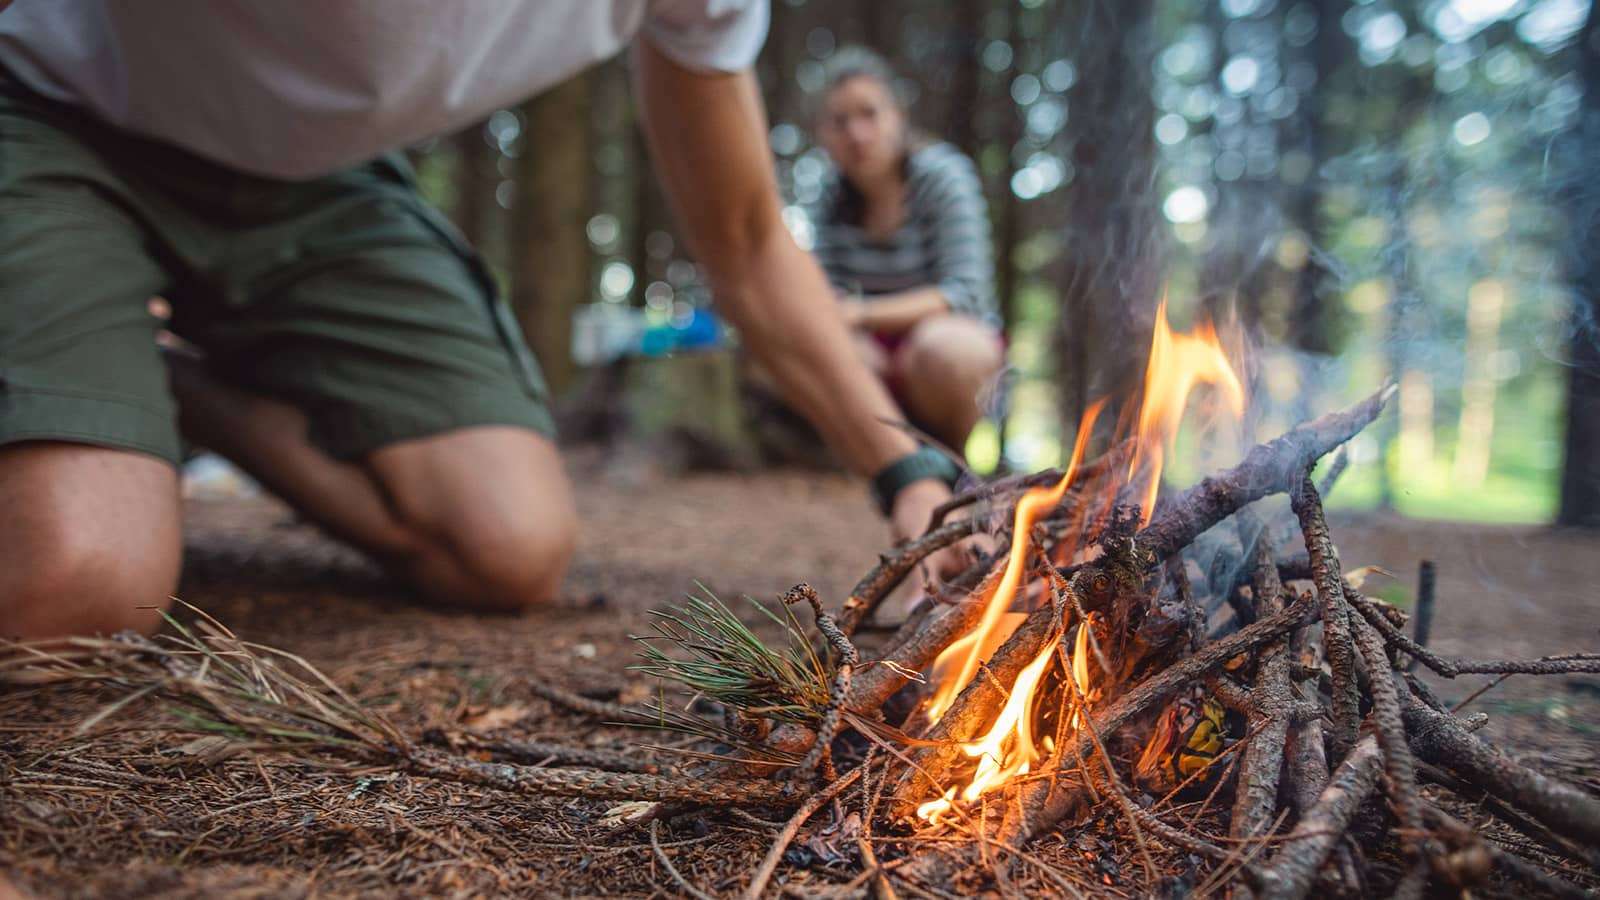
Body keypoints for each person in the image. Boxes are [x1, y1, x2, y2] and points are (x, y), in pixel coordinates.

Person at [0, 1, 969, 640]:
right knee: (80, 582)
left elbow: (750, 241)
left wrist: (905, 468)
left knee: (506, 547)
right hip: (57, 110)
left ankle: (157, 372)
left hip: (317, 184)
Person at [807, 48, 1006, 453]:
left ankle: (952, 465)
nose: (856, 134)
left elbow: (964, 294)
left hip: (945, 348)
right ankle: (887, 465)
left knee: (946, 351)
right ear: (824, 135)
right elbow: (829, 297)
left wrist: (862, 314)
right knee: (824, 352)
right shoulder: (830, 197)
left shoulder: (942, 176)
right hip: (875, 356)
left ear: (898, 116)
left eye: (869, 114)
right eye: (839, 122)